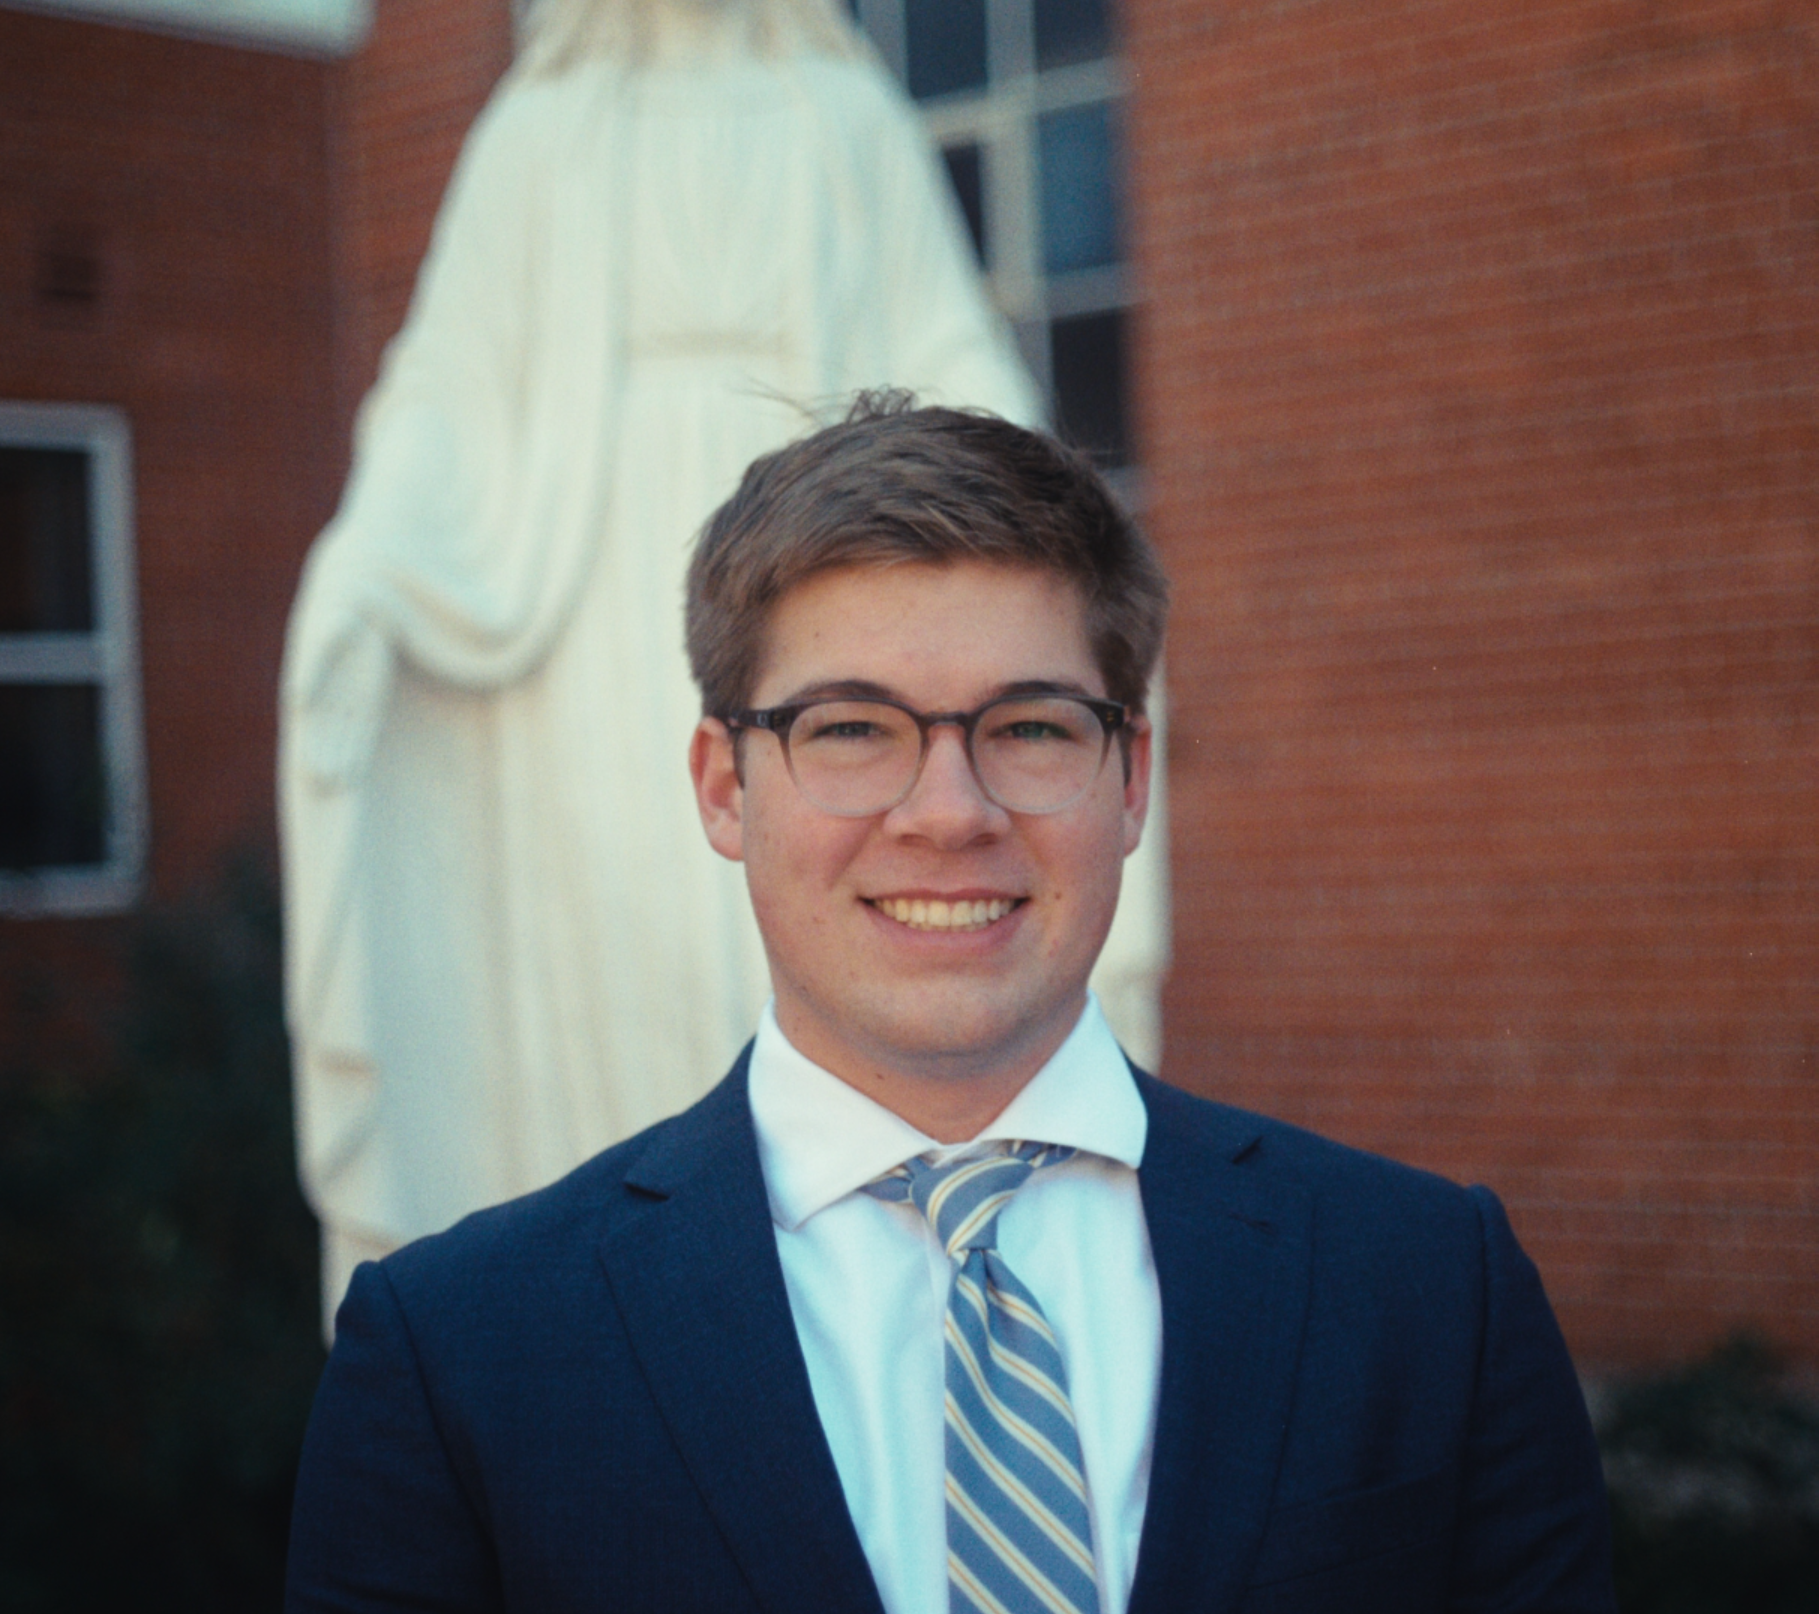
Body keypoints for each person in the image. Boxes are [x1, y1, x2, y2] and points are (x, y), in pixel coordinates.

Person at [286, 399, 1615, 1614]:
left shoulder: (1429, 1284)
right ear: (721, 787)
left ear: (1129, 776)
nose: (947, 813)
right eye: (851, 728)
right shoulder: (460, 1352)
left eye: (1030, 728)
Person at [280, 0, 1168, 1332]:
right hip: (587, 621)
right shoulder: (544, 130)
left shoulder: (836, 113)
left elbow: (947, 358)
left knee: (827, 908)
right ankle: (640, 1332)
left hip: (836, 595)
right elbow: (444, 396)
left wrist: (1063, 558)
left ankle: (866, 1293)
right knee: (633, 947)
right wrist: (365, 570)